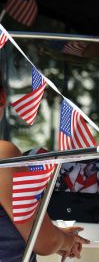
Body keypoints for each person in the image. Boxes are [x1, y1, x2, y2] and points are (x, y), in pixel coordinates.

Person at [0, 82, 90, 261]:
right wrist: (65, 240)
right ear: (2, 98)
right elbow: (44, 242)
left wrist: (57, 235)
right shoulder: (3, 154)